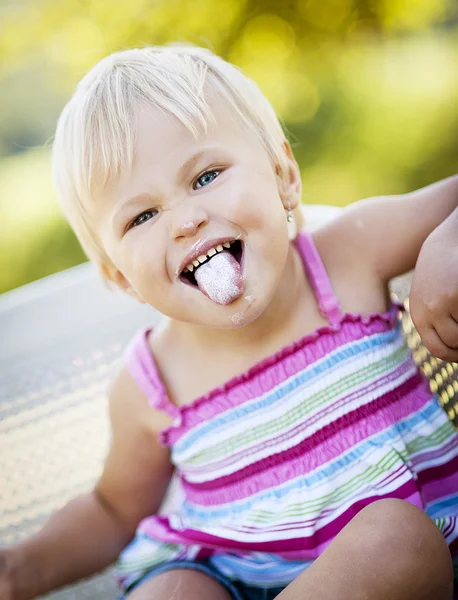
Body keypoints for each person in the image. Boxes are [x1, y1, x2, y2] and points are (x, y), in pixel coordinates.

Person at [1, 44, 458, 600]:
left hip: (398, 561)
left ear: (282, 175)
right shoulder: (152, 384)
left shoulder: (350, 256)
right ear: (119, 276)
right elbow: (112, 510)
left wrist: (448, 240)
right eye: (143, 216)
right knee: (170, 590)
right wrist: (22, 568)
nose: (187, 220)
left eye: (206, 176)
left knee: (392, 540)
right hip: (232, 574)